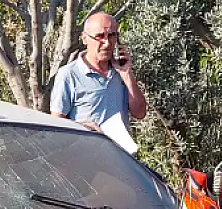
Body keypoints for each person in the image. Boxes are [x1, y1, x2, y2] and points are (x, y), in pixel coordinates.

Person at [50, 12, 148, 141]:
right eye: (100, 36)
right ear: (85, 38)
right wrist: (83, 127)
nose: (107, 43)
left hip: (119, 154)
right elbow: (56, 124)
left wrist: (127, 74)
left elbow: (140, 113)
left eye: (112, 36)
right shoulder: (69, 74)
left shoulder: (120, 71)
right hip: (86, 155)